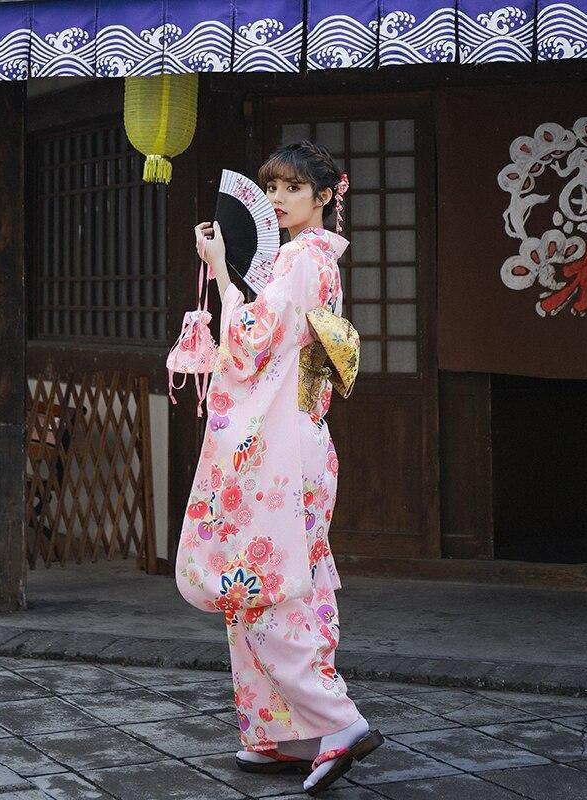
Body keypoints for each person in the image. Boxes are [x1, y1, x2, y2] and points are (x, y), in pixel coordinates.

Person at [175, 140, 383, 795]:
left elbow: (248, 343)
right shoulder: (318, 263)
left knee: (261, 582)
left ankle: (336, 720)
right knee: (280, 578)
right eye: (270, 188)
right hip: (301, 435)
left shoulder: (299, 258)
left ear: (325, 196)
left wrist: (220, 271)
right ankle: (275, 734)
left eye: (291, 188)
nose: (276, 200)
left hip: (282, 446)